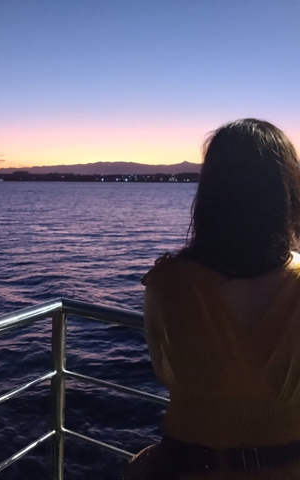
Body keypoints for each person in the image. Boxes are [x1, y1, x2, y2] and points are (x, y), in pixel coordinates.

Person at [122, 119, 300, 479]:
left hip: (186, 467)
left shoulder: (167, 282)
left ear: (211, 192)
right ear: (287, 191)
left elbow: (164, 369)